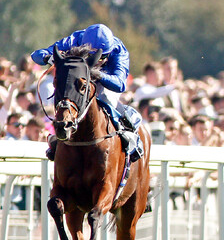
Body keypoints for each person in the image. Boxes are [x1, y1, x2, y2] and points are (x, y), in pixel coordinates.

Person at [31, 24, 144, 162]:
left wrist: (97, 73)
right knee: (66, 96)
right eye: (91, 55)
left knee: (107, 99)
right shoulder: (74, 40)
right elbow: (36, 55)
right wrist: (48, 58)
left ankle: (128, 134)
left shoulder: (118, 50)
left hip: (104, 82)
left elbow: (120, 84)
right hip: (79, 79)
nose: (97, 60)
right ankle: (59, 136)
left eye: (102, 57)